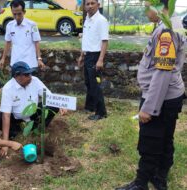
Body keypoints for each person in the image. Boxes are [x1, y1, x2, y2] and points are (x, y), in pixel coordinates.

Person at [116, 1, 186, 190]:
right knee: (164, 137)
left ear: (157, 5)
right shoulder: (174, 22)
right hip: (170, 95)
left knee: (150, 140)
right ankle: (159, 176)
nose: (145, 11)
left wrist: (149, 108)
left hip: (160, 96)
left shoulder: (166, 31)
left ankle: (141, 183)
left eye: (147, 6)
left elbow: (162, 73)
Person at [0, 61, 66, 157]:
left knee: (53, 105)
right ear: (17, 76)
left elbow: (48, 96)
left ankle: (38, 128)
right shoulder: (8, 88)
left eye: (30, 74)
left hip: (33, 115)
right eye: (27, 74)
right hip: (16, 120)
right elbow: (6, 115)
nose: (30, 77)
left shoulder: (35, 81)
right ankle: (15, 132)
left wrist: (61, 105)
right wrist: (5, 143)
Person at [77, 0, 108, 120]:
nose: (90, 6)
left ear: (98, 5)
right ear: (84, 7)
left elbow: (105, 41)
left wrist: (100, 60)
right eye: (87, 4)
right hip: (88, 55)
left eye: (92, 3)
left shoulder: (101, 20)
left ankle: (101, 112)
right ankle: (90, 107)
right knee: (88, 83)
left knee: (95, 84)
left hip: (96, 55)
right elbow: (86, 39)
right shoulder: (87, 19)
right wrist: (82, 55)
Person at [0, 0, 45, 70]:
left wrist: (39, 59)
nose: (17, 17)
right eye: (14, 14)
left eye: (19, 14)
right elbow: (8, 42)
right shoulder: (9, 25)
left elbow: (36, 42)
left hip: (30, 64)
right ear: (11, 12)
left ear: (24, 12)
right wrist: (3, 58)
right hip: (15, 63)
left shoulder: (32, 25)